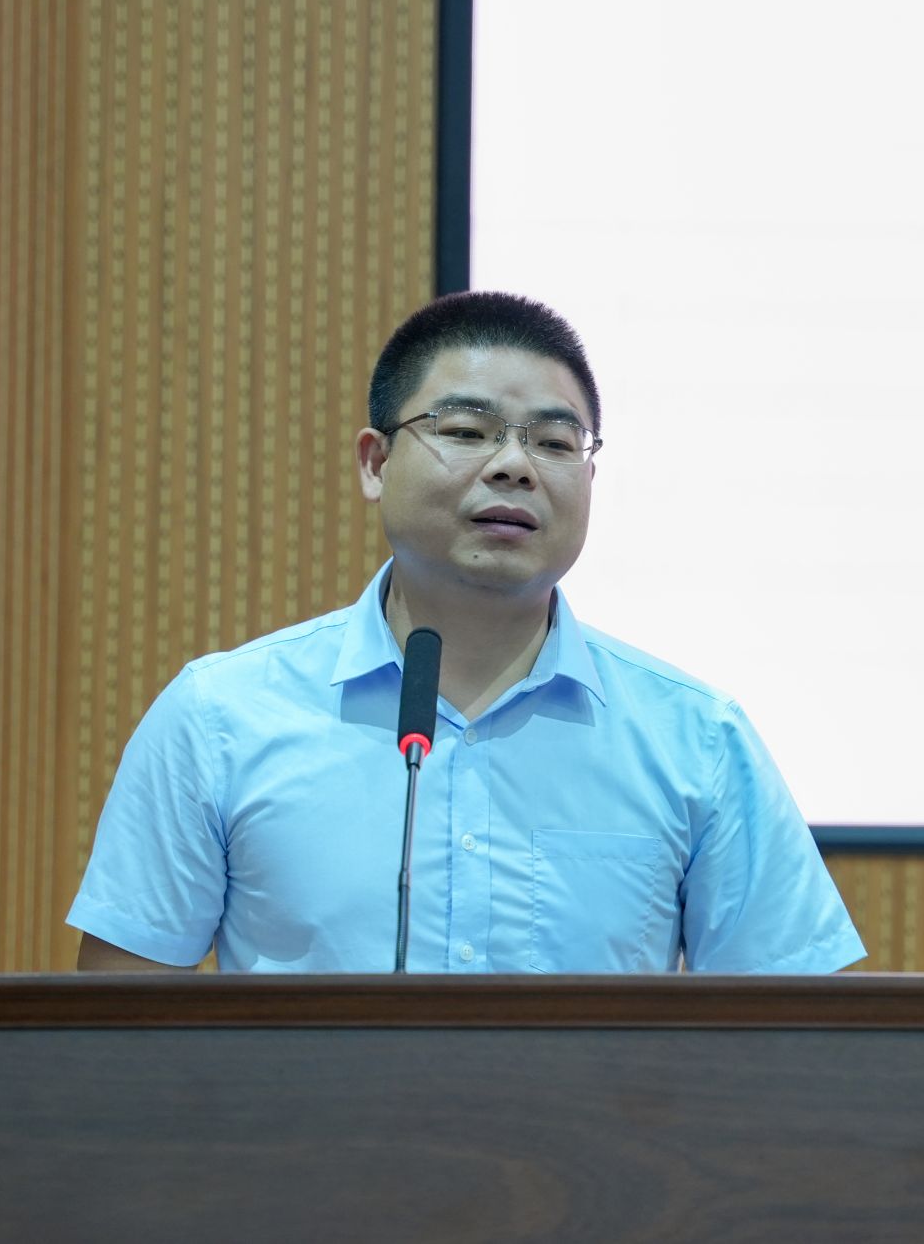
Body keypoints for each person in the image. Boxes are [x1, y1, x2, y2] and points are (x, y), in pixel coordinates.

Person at [68, 291, 864, 974]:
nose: (515, 465)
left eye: (554, 442)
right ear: (375, 462)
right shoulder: (220, 719)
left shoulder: (697, 739)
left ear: (589, 478)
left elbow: (797, 1041)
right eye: (467, 430)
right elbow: (115, 1041)